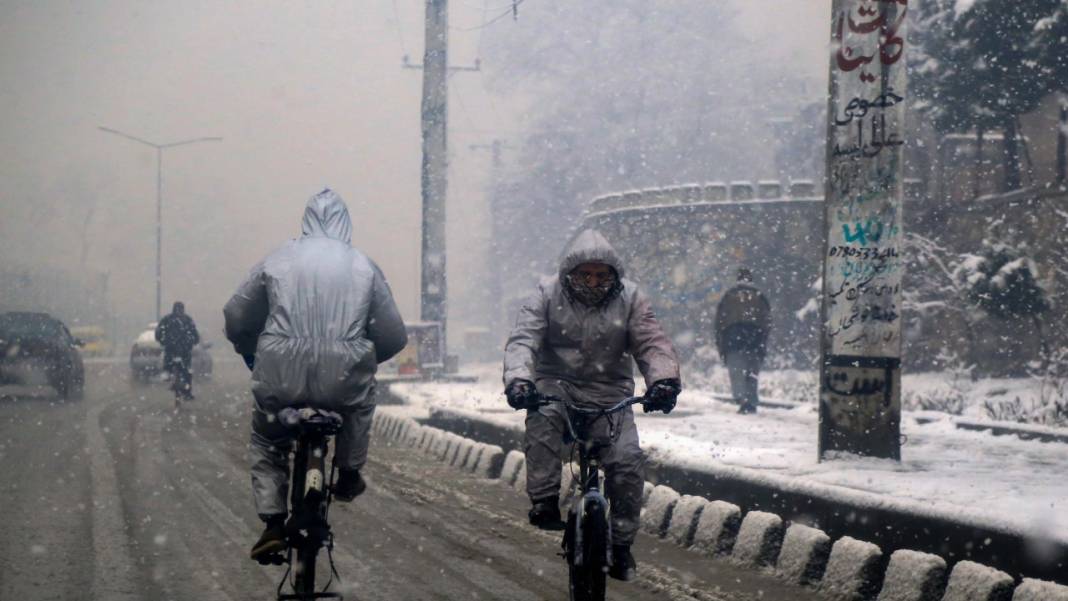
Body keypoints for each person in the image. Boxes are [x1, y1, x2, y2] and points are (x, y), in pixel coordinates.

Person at [223, 189, 407, 562]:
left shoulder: (279, 258)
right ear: (345, 223)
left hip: (279, 371)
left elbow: (237, 316)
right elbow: (393, 336)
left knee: (269, 440)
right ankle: (348, 472)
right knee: (357, 407)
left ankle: (273, 522)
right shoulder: (362, 265)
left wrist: (250, 350)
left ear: (305, 221)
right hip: (342, 374)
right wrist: (365, 358)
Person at [502, 229, 681, 582]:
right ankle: (544, 500)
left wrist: (663, 381)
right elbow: (524, 340)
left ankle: (621, 544)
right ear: (571, 273)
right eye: (586, 274)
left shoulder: (630, 299)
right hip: (556, 385)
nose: (594, 282)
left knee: (628, 462)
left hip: (611, 392)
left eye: (602, 275)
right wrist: (520, 381)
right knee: (543, 422)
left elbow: (652, 342)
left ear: (614, 275)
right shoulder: (545, 293)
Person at [714, 267, 771, 414]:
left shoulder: (729, 296)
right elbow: (767, 322)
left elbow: (719, 323)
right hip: (755, 340)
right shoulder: (760, 297)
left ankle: (742, 398)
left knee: (736, 371)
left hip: (733, 340)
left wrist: (721, 344)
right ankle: (751, 401)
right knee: (752, 373)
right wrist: (762, 340)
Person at [155, 301, 200, 401]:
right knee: (187, 370)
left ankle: (167, 373)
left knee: (169, 363)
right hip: (184, 349)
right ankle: (187, 391)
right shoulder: (187, 319)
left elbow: (159, 332)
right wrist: (194, 341)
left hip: (172, 348)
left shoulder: (167, 319)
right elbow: (194, 333)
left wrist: (162, 341)